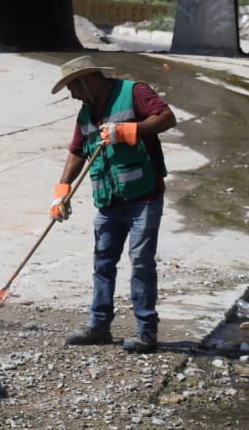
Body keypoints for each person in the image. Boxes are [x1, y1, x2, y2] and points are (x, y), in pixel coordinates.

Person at [48, 55, 177, 354]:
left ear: (85, 80)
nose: (72, 95)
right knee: (103, 263)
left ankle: (146, 332)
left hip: (143, 198)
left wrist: (127, 131)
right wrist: (61, 191)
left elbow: (167, 118)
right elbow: (78, 151)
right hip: (108, 201)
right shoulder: (86, 112)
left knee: (142, 263)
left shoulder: (134, 92)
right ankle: (99, 326)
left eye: (72, 87)